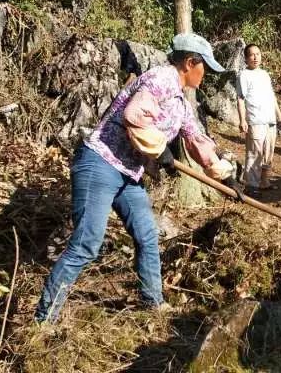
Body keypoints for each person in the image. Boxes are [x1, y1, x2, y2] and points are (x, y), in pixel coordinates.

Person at [35, 32, 235, 323]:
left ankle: (152, 304)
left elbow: (196, 140)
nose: (207, 75)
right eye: (205, 67)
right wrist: (160, 149)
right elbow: (135, 115)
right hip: (100, 164)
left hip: (129, 175)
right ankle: (43, 322)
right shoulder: (161, 78)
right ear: (191, 63)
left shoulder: (181, 101)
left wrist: (224, 176)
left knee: (147, 236)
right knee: (86, 244)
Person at [236, 44, 281, 197]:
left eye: (258, 54)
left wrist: (280, 115)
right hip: (255, 119)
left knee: (268, 153)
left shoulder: (264, 74)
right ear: (246, 58)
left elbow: (272, 96)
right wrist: (242, 120)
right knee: (254, 153)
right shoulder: (243, 75)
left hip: (269, 119)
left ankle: (264, 182)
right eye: (252, 55)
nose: (255, 57)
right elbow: (240, 98)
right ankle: (251, 185)